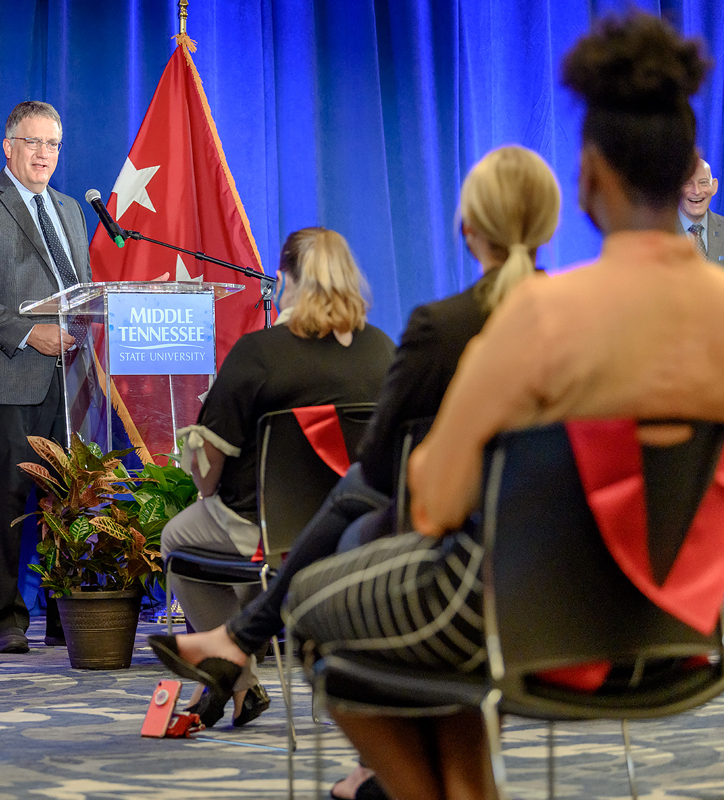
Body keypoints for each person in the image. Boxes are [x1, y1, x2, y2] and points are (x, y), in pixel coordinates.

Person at [285, 14, 721, 800]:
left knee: (315, 603)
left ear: (589, 175)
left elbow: (438, 503)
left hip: (523, 621)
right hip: (691, 632)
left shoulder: (543, 316)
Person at [151, 145, 559, 796]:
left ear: (467, 229)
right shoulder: (567, 322)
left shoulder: (438, 328)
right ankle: (261, 657)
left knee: (306, 598)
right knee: (348, 533)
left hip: (449, 565)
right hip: (569, 577)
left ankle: (371, 764)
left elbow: (380, 468)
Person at [155, 228, 395, 727]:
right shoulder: (381, 350)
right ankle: (245, 658)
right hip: (360, 530)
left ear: (285, 279)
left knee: (177, 539)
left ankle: (237, 677)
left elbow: (207, 475)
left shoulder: (259, 352)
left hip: (263, 530)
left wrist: (197, 465)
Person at [0, 101, 91, 654]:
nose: (44, 154)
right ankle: (5, 619)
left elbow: (84, 290)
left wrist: (81, 324)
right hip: (8, 374)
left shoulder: (73, 211)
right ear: (8, 147)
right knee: (9, 495)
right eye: (34, 142)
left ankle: (67, 613)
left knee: (69, 496)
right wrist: (32, 332)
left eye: (53, 144)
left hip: (70, 378)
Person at [678, 157, 723, 264]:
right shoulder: (661, 233)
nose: (696, 191)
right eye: (688, 183)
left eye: (703, 183)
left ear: (714, 186)